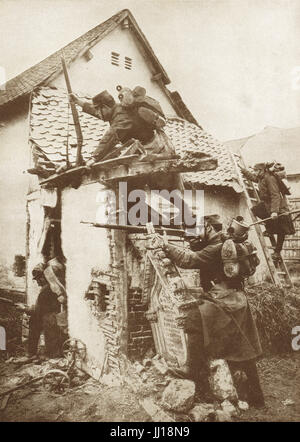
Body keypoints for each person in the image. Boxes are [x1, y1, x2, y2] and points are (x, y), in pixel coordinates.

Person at [154, 216, 265, 408]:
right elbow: (196, 252)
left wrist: (165, 245)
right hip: (237, 299)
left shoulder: (217, 247)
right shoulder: (222, 242)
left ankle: (193, 369)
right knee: (244, 349)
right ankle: (257, 399)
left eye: (198, 230)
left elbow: (189, 259)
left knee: (193, 318)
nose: (193, 236)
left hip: (226, 300)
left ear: (208, 228)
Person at [70, 86, 166, 164]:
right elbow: (94, 110)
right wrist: (78, 101)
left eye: (100, 110)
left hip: (152, 147)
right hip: (139, 146)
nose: (99, 114)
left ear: (106, 107)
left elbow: (111, 136)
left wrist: (94, 157)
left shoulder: (121, 117)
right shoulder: (115, 109)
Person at [241, 162, 295, 260]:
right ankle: (270, 229)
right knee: (255, 210)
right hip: (267, 204)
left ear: (261, 170)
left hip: (279, 205)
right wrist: (243, 170)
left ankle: (277, 252)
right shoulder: (261, 177)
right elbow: (253, 178)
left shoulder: (270, 178)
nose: (254, 172)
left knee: (281, 230)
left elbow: (276, 195)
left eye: (255, 170)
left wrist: (274, 211)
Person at [27, 263, 61, 359]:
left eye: (38, 278)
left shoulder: (46, 289)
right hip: (50, 315)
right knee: (35, 320)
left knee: (34, 321)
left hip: (50, 318)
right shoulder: (50, 286)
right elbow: (42, 306)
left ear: (43, 277)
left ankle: (34, 353)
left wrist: (25, 309)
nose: (37, 281)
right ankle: (35, 353)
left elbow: (39, 311)